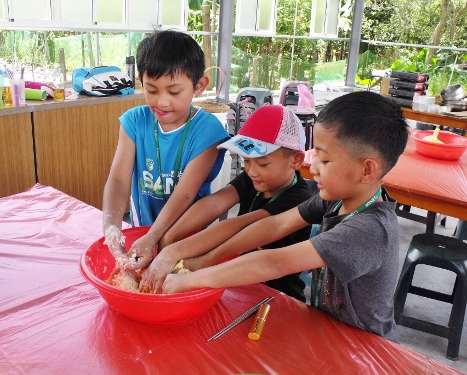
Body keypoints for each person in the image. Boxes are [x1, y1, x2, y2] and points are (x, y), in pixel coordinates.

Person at [162, 91, 409, 342]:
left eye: (324, 160)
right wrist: (199, 259)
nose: (313, 169)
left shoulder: (368, 230)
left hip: (367, 348)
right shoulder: (337, 198)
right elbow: (276, 224)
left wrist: (191, 280)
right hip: (332, 330)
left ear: (366, 169)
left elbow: (274, 262)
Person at [142, 105, 312, 300]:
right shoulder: (255, 179)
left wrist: (179, 254)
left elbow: (240, 225)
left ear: (296, 160)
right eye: (246, 161)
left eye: (262, 163)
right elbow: (214, 204)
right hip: (240, 284)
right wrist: (168, 239)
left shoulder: (299, 198)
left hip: (277, 297)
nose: (251, 171)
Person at [102, 30, 230, 269]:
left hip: (189, 242)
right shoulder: (134, 122)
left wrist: (155, 236)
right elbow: (118, 181)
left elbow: (185, 194)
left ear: (199, 85)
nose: (161, 102)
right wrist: (112, 227)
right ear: (141, 81)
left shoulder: (207, 131)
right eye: (151, 90)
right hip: (142, 233)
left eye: (173, 92)